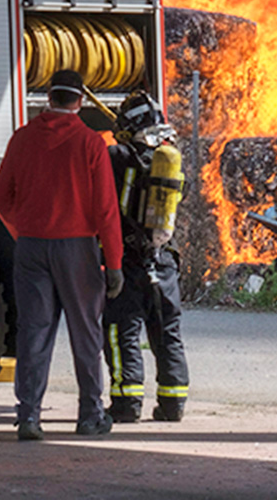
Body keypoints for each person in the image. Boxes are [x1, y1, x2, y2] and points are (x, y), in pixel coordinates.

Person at [0, 66, 124, 441]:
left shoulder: (22, 139)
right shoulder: (91, 143)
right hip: (78, 250)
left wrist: (24, 224)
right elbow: (106, 209)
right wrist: (113, 263)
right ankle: (89, 416)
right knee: (86, 333)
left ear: (48, 98)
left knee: (34, 332)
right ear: (80, 101)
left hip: (31, 247)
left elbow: (1, 195)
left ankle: (29, 418)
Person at [104, 90, 191, 423]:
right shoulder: (168, 159)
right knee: (167, 331)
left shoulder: (118, 156)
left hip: (127, 259)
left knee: (121, 330)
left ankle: (127, 404)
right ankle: (173, 404)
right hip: (164, 261)